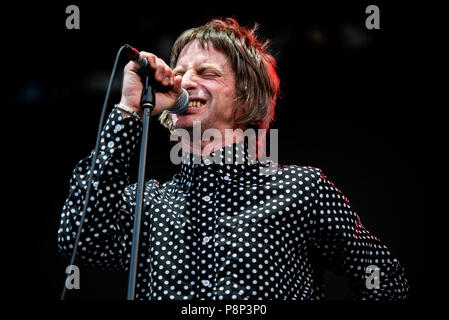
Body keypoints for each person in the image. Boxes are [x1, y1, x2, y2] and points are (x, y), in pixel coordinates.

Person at [58, 18, 409, 300]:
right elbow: (79, 240)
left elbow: (382, 278)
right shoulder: (150, 203)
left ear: (245, 94)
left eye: (207, 73)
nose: (185, 83)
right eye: (180, 74)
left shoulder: (302, 190)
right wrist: (128, 110)